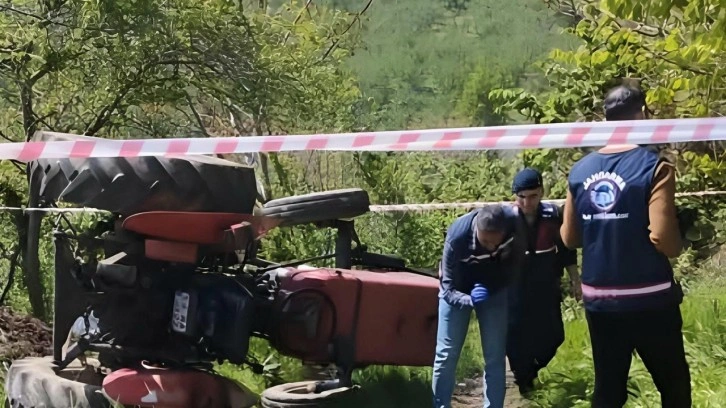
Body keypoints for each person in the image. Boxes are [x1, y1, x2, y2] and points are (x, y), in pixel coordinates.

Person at [560, 83, 691, 407]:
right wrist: (679, 243)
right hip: (650, 297)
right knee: (674, 386)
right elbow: (662, 236)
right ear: (642, 114)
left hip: (600, 299)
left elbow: (570, 238)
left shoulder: (579, 171)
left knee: (608, 390)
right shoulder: (655, 167)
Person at [432, 204, 517, 408]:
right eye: (485, 241)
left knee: (495, 357)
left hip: (493, 290)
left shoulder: (514, 227)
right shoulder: (457, 237)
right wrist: (469, 300)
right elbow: (448, 289)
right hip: (458, 288)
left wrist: (494, 287)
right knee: (445, 354)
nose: (491, 247)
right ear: (477, 229)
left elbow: (515, 271)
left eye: (495, 243)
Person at [505, 168, 581, 395]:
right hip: (515, 287)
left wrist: (576, 279)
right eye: (521, 197)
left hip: (546, 285)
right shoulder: (505, 219)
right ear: (514, 195)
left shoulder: (553, 215)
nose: (527, 202)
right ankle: (523, 378)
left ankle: (531, 370)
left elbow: (567, 249)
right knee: (516, 337)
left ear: (541, 192)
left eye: (533, 196)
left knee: (555, 336)